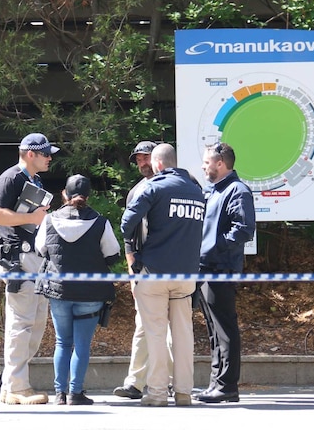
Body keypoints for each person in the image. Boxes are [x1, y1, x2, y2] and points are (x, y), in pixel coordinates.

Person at [121, 143, 204, 407]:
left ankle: (156, 393)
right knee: (183, 334)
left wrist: (138, 255)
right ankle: (183, 393)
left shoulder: (153, 187)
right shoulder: (196, 190)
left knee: (155, 333)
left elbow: (126, 224)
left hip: (155, 272)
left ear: (158, 164)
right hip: (187, 274)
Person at [35, 174, 121, 406]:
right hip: (91, 293)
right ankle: (75, 393)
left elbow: (41, 249)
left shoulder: (50, 220)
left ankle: (59, 394)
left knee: (62, 342)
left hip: (59, 291)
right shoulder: (100, 222)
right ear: (89, 195)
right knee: (82, 345)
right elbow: (113, 254)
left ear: (64, 193)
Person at [0, 133, 59, 405]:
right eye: (46, 154)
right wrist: (32, 217)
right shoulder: (11, 178)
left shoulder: (34, 180)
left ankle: (13, 382)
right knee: (22, 323)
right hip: (18, 257)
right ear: (31, 154)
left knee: (36, 323)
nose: (50, 158)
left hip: (35, 258)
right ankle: (17, 385)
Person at [195, 142, 255, 403]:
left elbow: (244, 229)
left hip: (221, 268)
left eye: (207, 162)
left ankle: (228, 385)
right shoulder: (215, 190)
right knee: (213, 329)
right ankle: (216, 384)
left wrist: (215, 248)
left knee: (225, 328)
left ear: (221, 163)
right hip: (206, 268)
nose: (203, 166)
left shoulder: (237, 191)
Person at [112, 141, 172, 400]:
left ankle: (168, 381)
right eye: (138, 160)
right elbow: (129, 237)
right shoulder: (136, 192)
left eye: (146, 158)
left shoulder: (175, 186)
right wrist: (131, 272)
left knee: (169, 328)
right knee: (142, 326)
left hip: (174, 267)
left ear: (157, 158)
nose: (142, 163)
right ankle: (134, 383)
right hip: (145, 269)